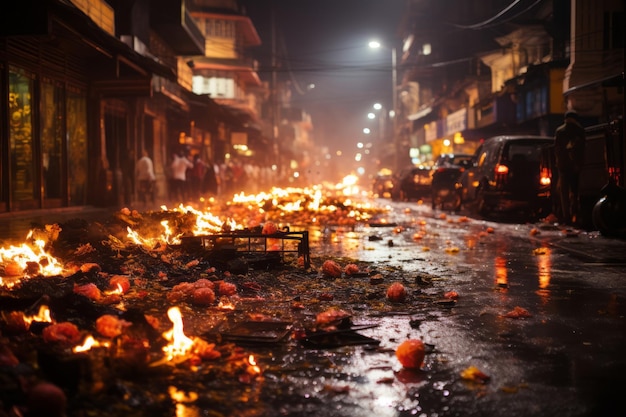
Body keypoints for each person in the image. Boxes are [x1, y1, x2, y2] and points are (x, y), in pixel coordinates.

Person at [553, 110, 586, 225]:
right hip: (575, 166)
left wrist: (559, 162)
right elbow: (582, 150)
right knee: (575, 191)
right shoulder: (580, 130)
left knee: (564, 192)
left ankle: (566, 216)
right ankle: (575, 213)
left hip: (563, 166)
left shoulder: (559, 131)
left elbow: (557, 150)